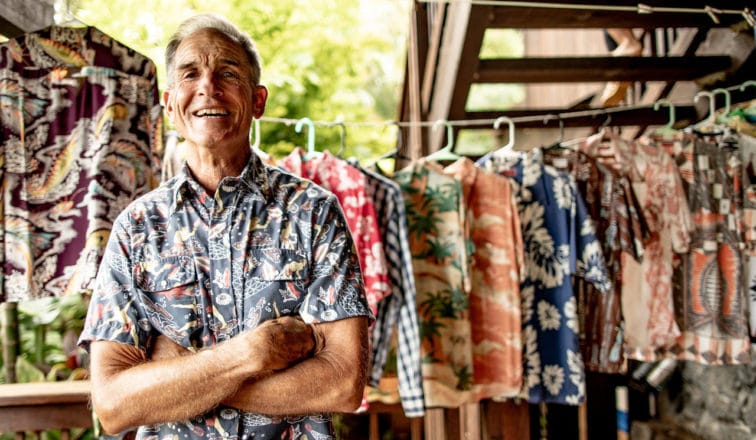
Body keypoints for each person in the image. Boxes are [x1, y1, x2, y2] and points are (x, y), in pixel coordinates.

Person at [78, 13, 372, 439]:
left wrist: (176, 373)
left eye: (228, 73)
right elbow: (114, 405)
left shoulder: (314, 212)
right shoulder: (136, 229)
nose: (208, 88)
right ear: (168, 102)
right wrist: (251, 353)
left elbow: (343, 385)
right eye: (190, 73)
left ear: (257, 100)